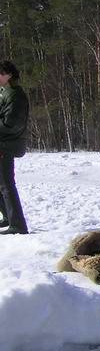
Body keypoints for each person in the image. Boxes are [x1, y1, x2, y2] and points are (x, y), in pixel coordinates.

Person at [0, 60, 29, 235]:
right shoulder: (4, 92)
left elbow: (12, 124)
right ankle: (8, 217)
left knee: (6, 184)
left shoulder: (16, 95)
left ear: (9, 75)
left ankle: (18, 225)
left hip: (7, 145)